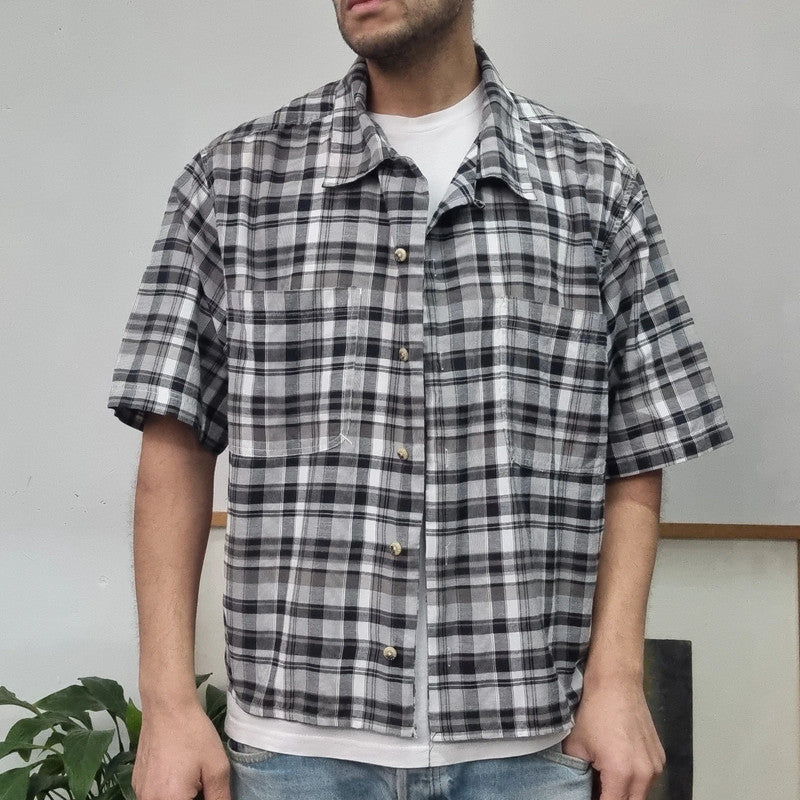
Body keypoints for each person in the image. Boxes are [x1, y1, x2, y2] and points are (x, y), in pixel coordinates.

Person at [107, 1, 735, 799]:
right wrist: (166, 703)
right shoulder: (234, 184)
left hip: (528, 749)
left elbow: (635, 450)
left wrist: (617, 677)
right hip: (295, 753)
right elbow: (174, 446)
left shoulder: (595, 188)